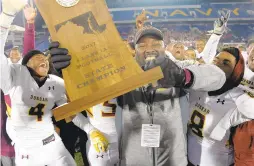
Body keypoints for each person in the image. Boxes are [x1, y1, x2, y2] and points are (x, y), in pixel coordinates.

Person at [49, 23, 229, 166]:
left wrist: (183, 77)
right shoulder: (121, 75)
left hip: (172, 158)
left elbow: (218, 77)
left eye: (156, 44)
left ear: (164, 48)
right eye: (142, 45)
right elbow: (87, 84)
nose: (149, 48)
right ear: (134, 50)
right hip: (133, 158)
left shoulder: (178, 69)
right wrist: (67, 69)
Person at [0, 0, 77, 165]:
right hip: (22, 140)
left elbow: (30, 53)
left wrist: (30, 23)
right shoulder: (11, 80)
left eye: (17, 56)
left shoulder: (46, 79)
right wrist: (6, 18)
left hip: (46, 137)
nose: (15, 58)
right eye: (11, 57)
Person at [1, 4, 37, 166]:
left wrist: (30, 24)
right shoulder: (7, 81)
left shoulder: (25, 76)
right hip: (9, 140)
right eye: (12, 52)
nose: (14, 53)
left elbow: (29, 51)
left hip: (26, 137)